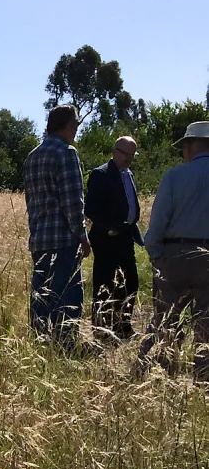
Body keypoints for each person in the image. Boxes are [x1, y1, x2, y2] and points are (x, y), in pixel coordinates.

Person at [138, 121, 209, 380]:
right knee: (206, 324)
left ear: (189, 147)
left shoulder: (175, 176)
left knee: (164, 319)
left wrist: (156, 255)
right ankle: (202, 379)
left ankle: (156, 372)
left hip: (174, 255)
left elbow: (157, 223)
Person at [24, 104, 91, 346]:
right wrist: (83, 236)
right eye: (76, 126)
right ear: (69, 126)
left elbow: (31, 203)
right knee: (67, 298)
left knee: (41, 298)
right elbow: (73, 201)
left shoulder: (32, 156)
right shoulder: (66, 153)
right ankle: (65, 347)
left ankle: (40, 344)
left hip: (40, 241)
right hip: (63, 241)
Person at [84, 135, 142, 338]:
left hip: (125, 236)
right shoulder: (101, 174)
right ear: (115, 151)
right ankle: (101, 330)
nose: (129, 158)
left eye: (132, 155)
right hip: (107, 238)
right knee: (104, 284)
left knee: (131, 282)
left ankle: (123, 326)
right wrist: (109, 226)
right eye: (126, 154)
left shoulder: (128, 174)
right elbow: (91, 208)